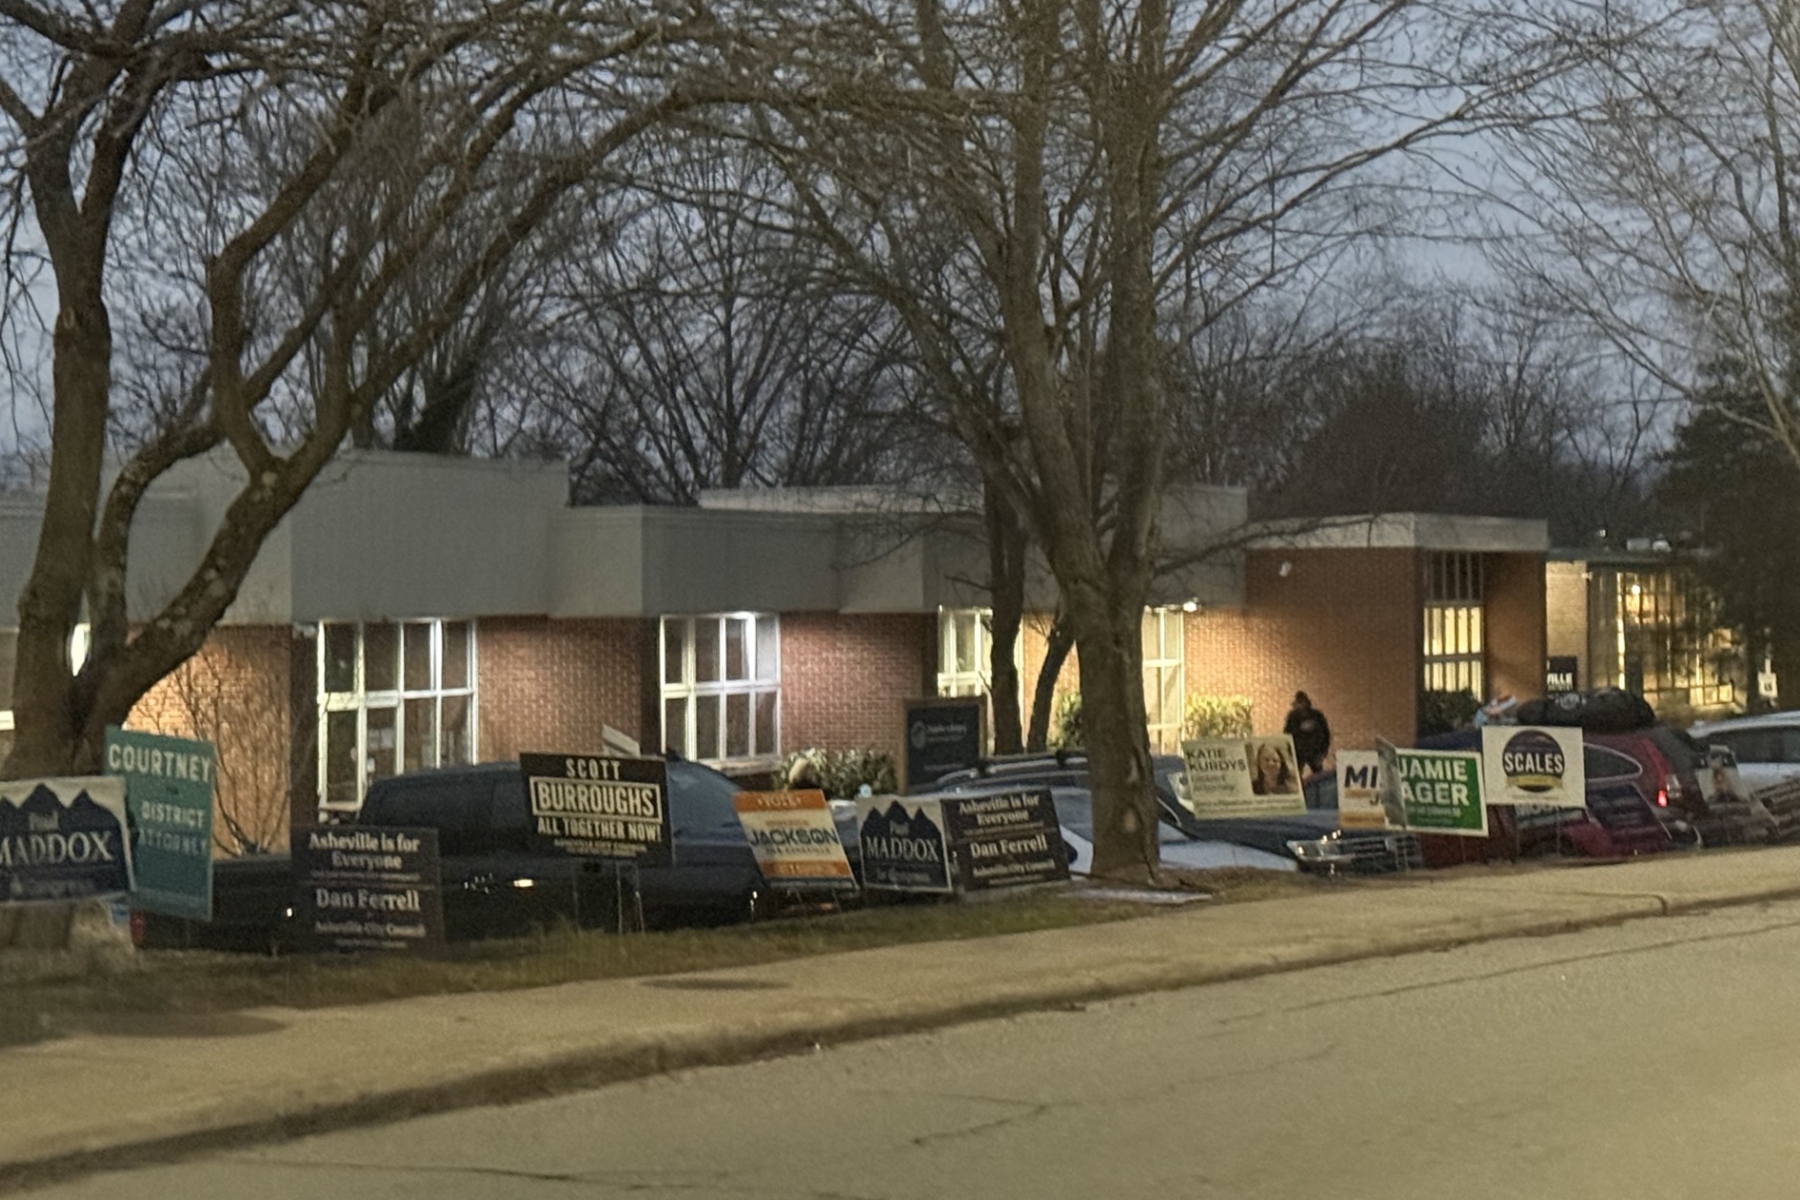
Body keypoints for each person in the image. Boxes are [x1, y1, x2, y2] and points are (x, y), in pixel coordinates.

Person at [1284, 691, 1332, 774]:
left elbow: (1325, 733)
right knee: (1300, 775)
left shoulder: (1316, 715)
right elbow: (1287, 734)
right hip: (1301, 752)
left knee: (1317, 773)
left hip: (1312, 751)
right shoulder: (1293, 717)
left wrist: (1323, 751)